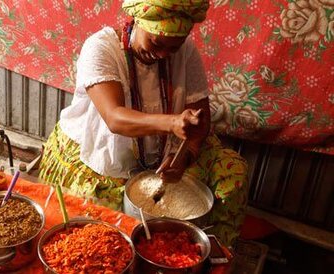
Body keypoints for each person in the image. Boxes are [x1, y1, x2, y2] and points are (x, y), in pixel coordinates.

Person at [39, 0, 248, 246]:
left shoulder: (185, 51)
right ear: (138, 20)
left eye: (173, 48)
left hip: (168, 148)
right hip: (102, 152)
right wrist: (171, 123)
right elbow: (114, 118)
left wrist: (184, 156)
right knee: (99, 233)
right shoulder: (101, 48)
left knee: (233, 172)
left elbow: (200, 118)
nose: (163, 54)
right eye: (157, 43)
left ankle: (214, 255)